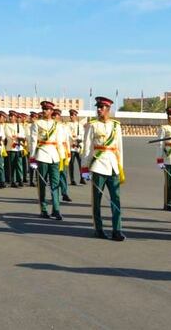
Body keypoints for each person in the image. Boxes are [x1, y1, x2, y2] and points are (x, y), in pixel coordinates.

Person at [81, 96, 125, 241]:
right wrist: (85, 168)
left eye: (101, 107)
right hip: (98, 166)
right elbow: (87, 148)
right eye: (98, 107)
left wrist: (120, 168)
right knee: (97, 200)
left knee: (116, 199)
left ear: (108, 109)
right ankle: (98, 229)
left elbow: (119, 149)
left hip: (113, 166)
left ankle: (117, 230)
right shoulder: (92, 125)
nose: (99, 110)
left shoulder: (116, 126)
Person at [29, 101, 64, 220]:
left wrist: (62, 158)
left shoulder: (57, 124)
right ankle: (43, 209)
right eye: (43, 109)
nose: (44, 111)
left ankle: (56, 209)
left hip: (54, 156)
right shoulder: (37, 123)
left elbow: (59, 142)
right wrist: (32, 158)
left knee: (55, 184)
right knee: (42, 185)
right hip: (42, 155)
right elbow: (33, 141)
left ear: (51, 111)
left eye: (47, 109)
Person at [67, 109, 85, 185]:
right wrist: (73, 139)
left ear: (76, 116)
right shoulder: (67, 125)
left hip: (78, 146)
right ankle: (72, 180)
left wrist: (78, 139)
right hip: (71, 146)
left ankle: (82, 178)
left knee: (81, 163)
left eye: (73, 115)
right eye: (70, 115)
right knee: (71, 164)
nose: (71, 116)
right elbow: (67, 134)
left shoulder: (79, 125)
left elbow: (82, 134)